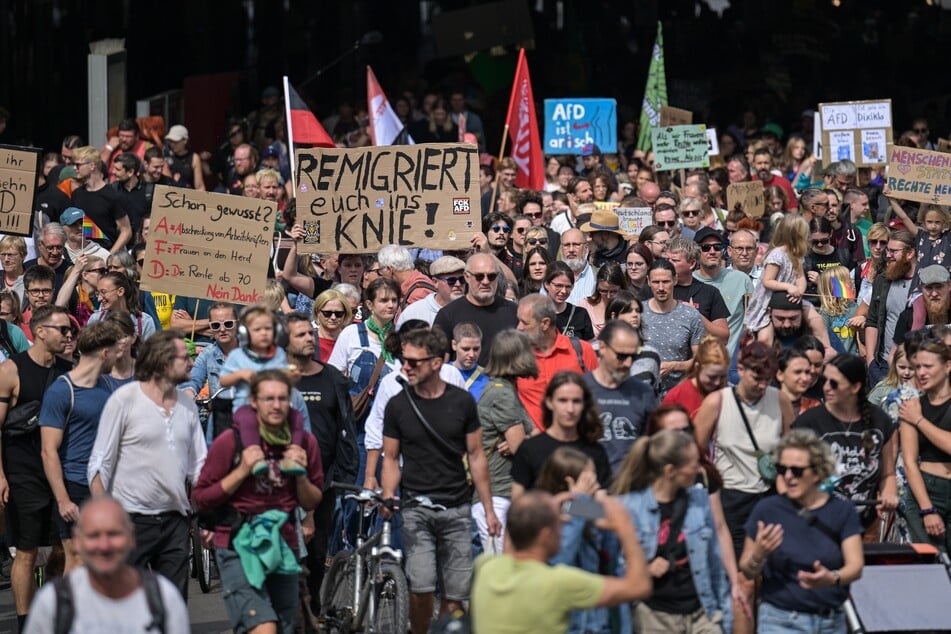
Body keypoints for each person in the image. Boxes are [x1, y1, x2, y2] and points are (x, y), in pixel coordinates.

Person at [380, 327, 498, 634]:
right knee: (420, 587)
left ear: (437, 363)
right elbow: (391, 457)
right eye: (404, 360)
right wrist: (389, 493)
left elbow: (476, 455)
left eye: (413, 362)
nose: (405, 367)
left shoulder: (461, 402)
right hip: (415, 507)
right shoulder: (398, 404)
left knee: (456, 593)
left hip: (457, 509)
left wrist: (487, 509)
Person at [194, 369, 324, 634]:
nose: (276, 406)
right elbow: (202, 497)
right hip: (237, 544)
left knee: (285, 626)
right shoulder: (232, 441)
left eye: (282, 398)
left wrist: (299, 477)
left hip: (283, 544)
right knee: (264, 627)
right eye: (268, 399)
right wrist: (242, 471)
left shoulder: (303, 443)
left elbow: (313, 499)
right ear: (253, 402)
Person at [87, 330, 208, 597]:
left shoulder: (187, 406)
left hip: (175, 522)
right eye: (184, 357)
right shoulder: (125, 400)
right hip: (130, 521)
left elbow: (200, 467)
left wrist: (209, 517)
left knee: (173, 605)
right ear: (163, 362)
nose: (191, 362)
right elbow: (99, 463)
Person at [694, 341, 794, 634]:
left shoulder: (780, 400)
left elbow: (791, 450)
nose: (762, 384)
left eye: (768, 377)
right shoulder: (718, 401)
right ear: (740, 369)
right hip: (731, 499)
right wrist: (710, 492)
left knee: (769, 578)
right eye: (756, 376)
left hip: (770, 496)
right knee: (743, 580)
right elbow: (696, 453)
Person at [471, 490, 651, 634]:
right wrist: (625, 526)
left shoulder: (486, 567)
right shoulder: (558, 583)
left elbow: (514, 536)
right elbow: (639, 586)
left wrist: (543, 508)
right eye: (560, 527)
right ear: (545, 536)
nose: (562, 532)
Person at [739, 429, 865, 634]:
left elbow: (856, 566)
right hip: (781, 621)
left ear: (817, 472)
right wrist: (759, 555)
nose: (788, 477)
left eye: (797, 471)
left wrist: (831, 578)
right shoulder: (767, 509)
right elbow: (747, 569)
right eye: (782, 469)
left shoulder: (842, 510)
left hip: (831, 622)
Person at [613, 429, 733, 633]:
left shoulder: (699, 501)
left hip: (701, 614)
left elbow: (714, 563)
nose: (698, 469)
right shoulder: (629, 505)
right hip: (654, 617)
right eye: (693, 464)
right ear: (670, 471)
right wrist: (645, 570)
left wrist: (725, 617)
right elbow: (574, 508)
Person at [0, 305, 74, 630]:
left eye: (70, 330)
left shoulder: (70, 369)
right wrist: (0, 475)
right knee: (27, 551)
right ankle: (25, 622)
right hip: (22, 470)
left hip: (59, 469)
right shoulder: (10, 370)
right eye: (62, 330)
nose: (69, 335)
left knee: (63, 550)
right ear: (40, 331)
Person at [22, 496, 190, 634]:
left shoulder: (163, 597)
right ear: (78, 541)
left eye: (113, 534)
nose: (104, 545)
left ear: (131, 537)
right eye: (93, 535)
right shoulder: (53, 603)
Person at [39, 321, 122, 573]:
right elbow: (48, 451)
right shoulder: (62, 391)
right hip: (75, 486)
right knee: (77, 560)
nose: (118, 359)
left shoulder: (107, 386)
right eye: (116, 353)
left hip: (108, 485)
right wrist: (63, 500)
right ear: (105, 353)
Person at [793, 353, 898, 528]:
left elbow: (888, 474)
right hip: (818, 523)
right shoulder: (808, 422)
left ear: (855, 387)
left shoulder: (880, 421)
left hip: (864, 523)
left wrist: (888, 493)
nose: (826, 387)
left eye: (834, 383)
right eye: (824, 380)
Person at [474, 329, 537, 554]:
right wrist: (526, 440)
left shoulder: (502, 388)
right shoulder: (502, 394)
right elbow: (524, 451)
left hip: (502, 494)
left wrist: (527, 438)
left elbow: (530, 437)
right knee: (503, 571)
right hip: (498, 495)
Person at [511, 372, 612, 499]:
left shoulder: (595, 452)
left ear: (584, 405)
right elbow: (517, 509)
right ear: (549, 402)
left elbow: (602, 511)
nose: (570, 409)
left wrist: (579, 503)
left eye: (576, 401)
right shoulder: (529, 449)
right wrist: (572, 500)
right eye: (563, 400)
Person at [897, 337, 951, 552]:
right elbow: (909, 461)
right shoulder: (911, 406)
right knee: (931, 566)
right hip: (926, 489)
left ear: (947, 366)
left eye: (928, 366)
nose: (921, 373)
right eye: (917, 366)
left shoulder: (915, 413)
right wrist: (927, 509)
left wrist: (919, 420)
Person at [515, 294, 599, 430]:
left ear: (545, 323)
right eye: (519, 321)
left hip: (574, 443)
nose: (519, 327)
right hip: (533, 445)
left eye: (525, 322)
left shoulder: (582, 351)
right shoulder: (515, 355)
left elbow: (597, 397)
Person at [585, 320, 656, 472]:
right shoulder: (580, 389)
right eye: (621, 356)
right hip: (589, 485)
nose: (629, 363)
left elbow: (652, 442)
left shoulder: (643, 393)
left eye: (633, 356)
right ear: (602, 347)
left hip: (632, 486)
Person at [641, 260, 704, 396]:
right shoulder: (636, 313)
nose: (661, 288)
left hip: (678, 394)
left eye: (666, 281)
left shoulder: (691, 316)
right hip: (643, 394)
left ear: (675, 280)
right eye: (656, 282)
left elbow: (700, 361)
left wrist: (674, 366)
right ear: (648, 282)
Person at [865, 230, 917, 385]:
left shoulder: (926, 286)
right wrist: (870, 361)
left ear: (910, 254)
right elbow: (872, 321)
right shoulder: (883, 280)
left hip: (914, 367)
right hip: (882, 367)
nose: (888, 255)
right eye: (888, 250)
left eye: (894, 251)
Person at [744, 215, 809, 334]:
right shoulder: (777, 255)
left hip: (789, 300)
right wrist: (788, 287)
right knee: (765, 335)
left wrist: (799, 290)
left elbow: (800, 277)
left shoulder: (797, 255)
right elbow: (767, 281)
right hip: (767, 304)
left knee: (816, 318)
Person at [693, 227, 754, 355]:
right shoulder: (689, 282)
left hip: (733, 362)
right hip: (701, 361)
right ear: (696, 251)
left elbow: (752, 321)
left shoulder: (742, 280)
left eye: (717, 247)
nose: (712, 251)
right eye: (706, 247)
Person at [662, 336, 730, 420]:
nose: (717, 382)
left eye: (722, 376)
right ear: (697, 367)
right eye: (712, 377)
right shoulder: (676, 396)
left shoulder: (727, 396)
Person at [605, 291, 661, 391]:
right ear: (614, 316)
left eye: (637, 311)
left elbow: (655, 395)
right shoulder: (596, 351)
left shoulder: (650, 354)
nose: (635, 315)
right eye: (628, 311)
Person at [544, 262, 595, 341]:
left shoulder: (580, 314)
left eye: (568, 287)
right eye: (558, 286)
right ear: (546, 284)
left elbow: (589, 346)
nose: (564, 291)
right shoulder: (536, 313)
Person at [578, 262, 628, 338]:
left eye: (613, 291)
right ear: (597, 288)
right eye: (603, 291)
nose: (608, 296)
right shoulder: (585, 306)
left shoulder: (629, 306)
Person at [867, 342, 915, 408]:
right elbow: (868, 414)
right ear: (894, 365)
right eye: (902, 367)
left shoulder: (924, 392)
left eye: (911, 368)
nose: (906, 372)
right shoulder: (882, 390)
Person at [777, 348, 822, 414]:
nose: (805, 378)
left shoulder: (816, 408)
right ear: (780, 375)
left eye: (807, 372)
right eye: (797, 372)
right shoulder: (766, 406)